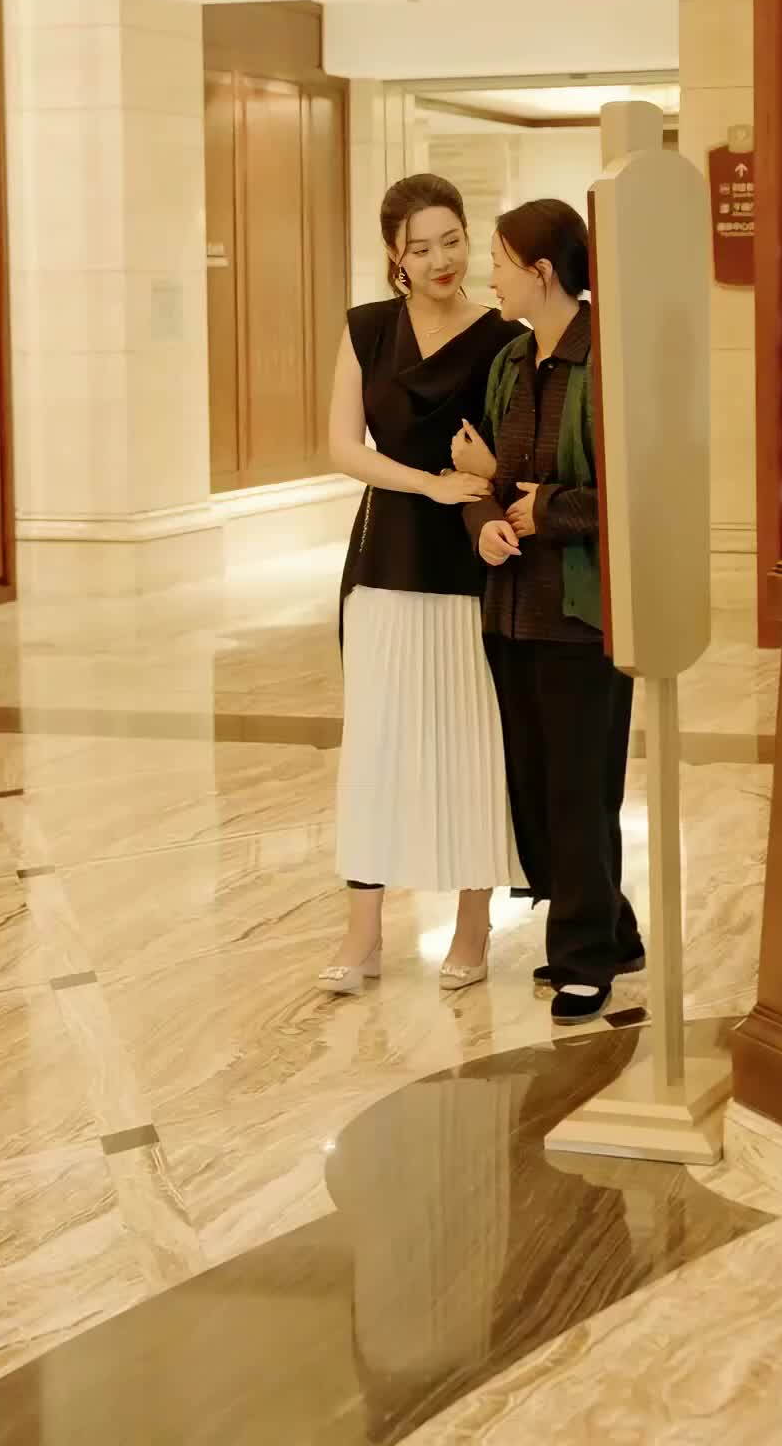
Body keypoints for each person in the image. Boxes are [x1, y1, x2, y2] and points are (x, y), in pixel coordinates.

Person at [319, 174, 523, 997]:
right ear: (394, 256)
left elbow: (518, 456)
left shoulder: (505, 337)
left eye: (453, 241)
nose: (441, 260)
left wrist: (474, 479)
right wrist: (427, 484)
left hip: (473, 562)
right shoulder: (367, 329)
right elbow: (343, 446)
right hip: (385, 561)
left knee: (472, 744)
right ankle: (363, 931)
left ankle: (473, 925)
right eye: (422, 248)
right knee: (375, 744)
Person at [453, 198, 645, 1026]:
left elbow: (637, 489)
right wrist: (486, 519)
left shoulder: (608, 361)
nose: (488, 276)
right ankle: (614, 930)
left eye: (498, 261)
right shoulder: (509, 362)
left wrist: (548, 510)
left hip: (583, 616)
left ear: (541, 272)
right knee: (536, 789)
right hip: (511, 612)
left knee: (580, 789)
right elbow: (483, 477)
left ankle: (581, 957)